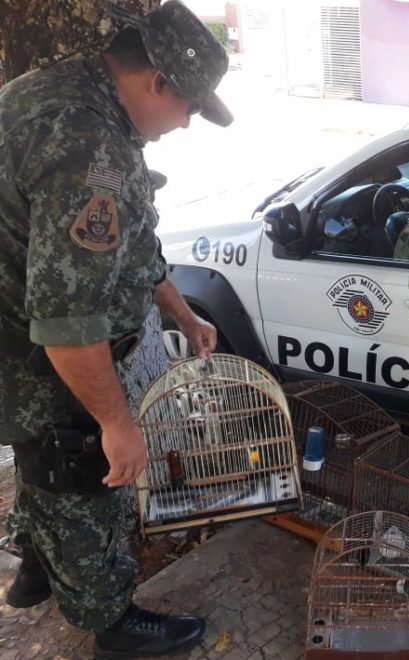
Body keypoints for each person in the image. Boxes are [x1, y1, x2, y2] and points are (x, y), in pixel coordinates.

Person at [0, 1, 230, 657]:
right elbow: (70, 327)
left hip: (15, 336)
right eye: (188, 107)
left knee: (41, 461)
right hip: (35, 355)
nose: (186, 124)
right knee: (88, 476)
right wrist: (117, 425)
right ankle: (112, 622)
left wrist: (181, 311)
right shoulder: (91, 154)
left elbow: (124, 247)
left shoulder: (66, 88)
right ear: (156, 80)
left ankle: (36, 569)